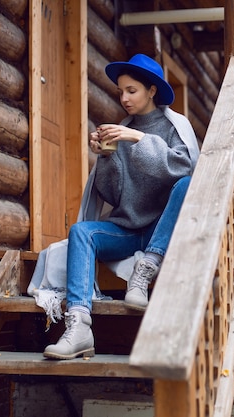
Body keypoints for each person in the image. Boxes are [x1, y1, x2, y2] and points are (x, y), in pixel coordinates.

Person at [41, 54, 199, 360]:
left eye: (132, 91)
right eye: (121, 92)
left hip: (161, 231)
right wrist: (107, 155)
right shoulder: (119, 130)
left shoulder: (174, 127)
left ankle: (146, 269)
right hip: (127, 230)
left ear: (152, 91)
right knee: (81, 232)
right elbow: (112, 194)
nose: (124, 98)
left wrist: (138, 138)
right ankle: (79, 326)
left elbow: (184, 169)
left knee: (186, 185)